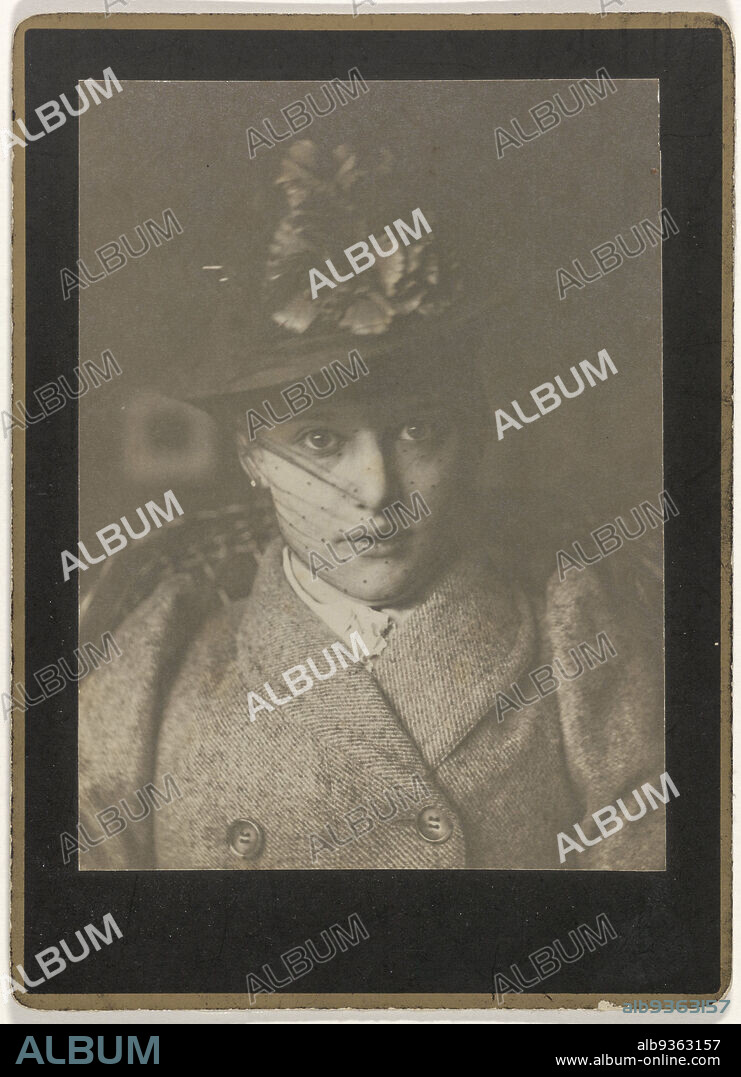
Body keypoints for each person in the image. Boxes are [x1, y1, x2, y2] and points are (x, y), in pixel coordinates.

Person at [77, 141, 664, 870]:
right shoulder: (162, 664)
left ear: (474, 432)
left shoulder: (573, 647)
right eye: (320, 439)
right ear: (251, 455)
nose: (376, 487)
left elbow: (645, 935)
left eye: (417, 430)